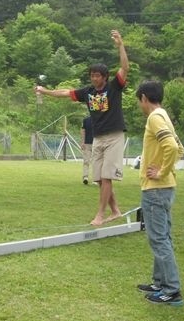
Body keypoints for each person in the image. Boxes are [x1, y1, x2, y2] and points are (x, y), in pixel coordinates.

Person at [35, 30, 129, 226]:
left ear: (104, 77)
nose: (94, 79)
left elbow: (124, 68)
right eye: (92, 75)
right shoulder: (88, 92)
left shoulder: (114, 87)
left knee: (107, 177)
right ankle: (116, 211)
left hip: (114, 136)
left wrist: (120, 45)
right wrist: (46, 91)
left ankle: (100, 215)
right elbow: (65, 92)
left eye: (97, 76)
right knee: (100, 179)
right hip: (98, 138)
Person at [135, 80, 184, 306]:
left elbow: (173, 149)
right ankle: (159, 282)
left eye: (139, 100)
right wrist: (167, 170)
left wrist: (161, 171)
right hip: (165, 188)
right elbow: (180, 148)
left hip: (156, 190)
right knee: (162, 236)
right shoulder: (164, 116)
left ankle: (171, 291)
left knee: (158, 239)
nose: (140, 104)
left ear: (144, 97)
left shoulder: (154, 118)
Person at [80, 116, 96, 185]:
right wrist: (82, 142)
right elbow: (83, 131)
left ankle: (95, 179)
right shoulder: (86, 120)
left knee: (92, 162)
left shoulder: (99, 119)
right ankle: (86, 177)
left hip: (96, 143)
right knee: (87, 161)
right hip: (88, 143)